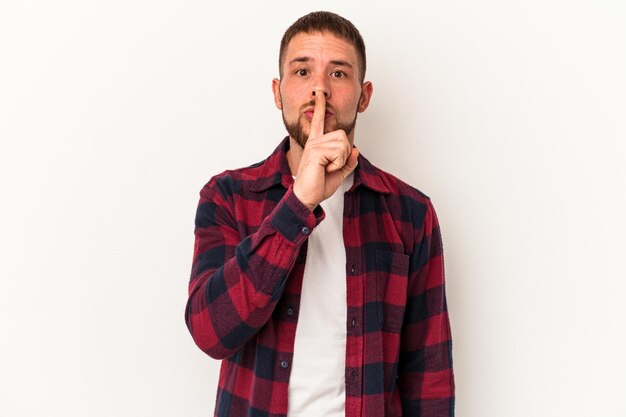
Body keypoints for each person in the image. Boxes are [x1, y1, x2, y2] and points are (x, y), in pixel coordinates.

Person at [185, 11, 455, 417]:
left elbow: (428, 373)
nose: (319, 90)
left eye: (338, 74)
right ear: (278, 92)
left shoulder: (410, 213)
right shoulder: (228, 197)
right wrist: (299, 203)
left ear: (364, 96)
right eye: (302, 71)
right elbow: (211, 332)